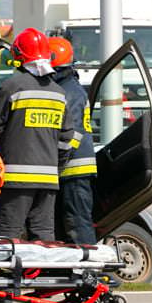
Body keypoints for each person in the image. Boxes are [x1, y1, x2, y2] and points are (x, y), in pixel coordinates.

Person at [0, 28, 73, 242]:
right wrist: (56, 169)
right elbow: (66, 139)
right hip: (49, 180)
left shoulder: (12, 86)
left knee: (8, 234)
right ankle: (44, 275)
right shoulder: (59, 94)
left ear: (18, 56)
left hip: (15, 179)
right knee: (43, 235)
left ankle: (8, 275)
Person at [47, 36, 98, 245]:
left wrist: (56, 164)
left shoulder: (69, 91)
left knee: (77, 222)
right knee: (67, 221)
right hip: (70, 167)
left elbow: (72, 135)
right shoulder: (68, 87)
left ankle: (89, 269)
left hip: (74, 168)